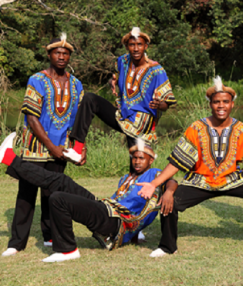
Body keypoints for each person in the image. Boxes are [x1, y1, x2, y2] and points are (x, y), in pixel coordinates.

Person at [137, 76, 243, 258]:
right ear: (211, 105)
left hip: (232, 180)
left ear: (232, 104)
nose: (221, 105)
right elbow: (177, 161)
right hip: (201, 181)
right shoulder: (196, 128)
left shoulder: (242, 130)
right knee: (170, 201)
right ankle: (168, 246)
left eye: (225, 102)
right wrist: (154, 184)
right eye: (216, 102)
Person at [0, 133, 177, 262]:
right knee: (61, 180)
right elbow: (131, 205)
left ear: (151, 160)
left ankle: (67, 250)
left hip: (115, 223)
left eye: (141, 159)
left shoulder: (155, 174)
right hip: (105, 209)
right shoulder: (126, 178)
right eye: (134, 158)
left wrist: (168, 192)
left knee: (58, 198)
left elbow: (172, 182)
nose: (137, 162)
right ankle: (9, 157)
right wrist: (136, 233)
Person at [2, 34, 84, 257]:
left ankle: (49, 236)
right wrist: (50, 146)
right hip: (35, 146)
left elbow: (79, 121)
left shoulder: (77, 85)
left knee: (53, 194)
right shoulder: (36, 80)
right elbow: (31, 118)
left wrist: (77, 148)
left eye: (65, 53)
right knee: (26, 194)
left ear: (70, 57)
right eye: (57, 52)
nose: (61, 56)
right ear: (49, 55)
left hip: (61, 149)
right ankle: (16, 243)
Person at [64, 27, 176, 164]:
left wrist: (160, 105)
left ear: (146, 46)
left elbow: (167, 103)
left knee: (138, 166)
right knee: (89, 99)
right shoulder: (122, 61)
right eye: (132, 45)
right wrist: (113, 81)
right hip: (122, 115)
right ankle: (77, 149)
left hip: (140, 123)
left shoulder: (156, 70)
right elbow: (117, 76)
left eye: (139, 44)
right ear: (126, 46)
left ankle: (148, 183)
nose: (135, 49)